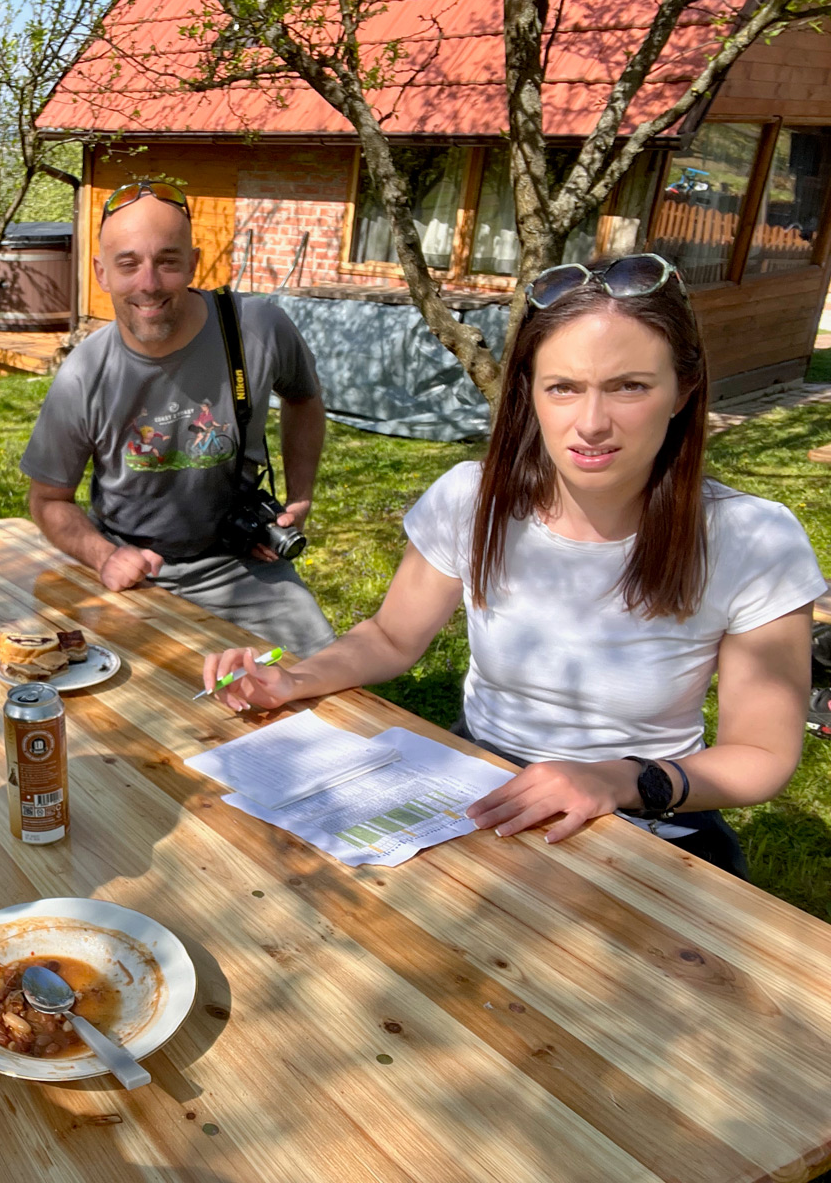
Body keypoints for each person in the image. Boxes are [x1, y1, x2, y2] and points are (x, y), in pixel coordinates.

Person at [202, 253, 825, 877]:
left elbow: (761, 754)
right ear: (529, 391)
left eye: (629, 386)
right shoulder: (471, 499)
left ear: (682, 391)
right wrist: (295, 679)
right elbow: (391, 637)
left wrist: (616, 780)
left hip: (649, 806)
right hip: (480, 783)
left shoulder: (751, 539)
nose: (591, 423)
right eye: (564, 387)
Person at [21, 179, 334, 657]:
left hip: (241, 564)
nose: (148, 283)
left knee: (324, 675)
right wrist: (106, 557)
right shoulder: (84, 373)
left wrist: (301, 497)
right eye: (128, 264)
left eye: (167, 261)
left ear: (193, 262)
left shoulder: (257, 329)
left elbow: (304, 399)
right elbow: (47, 500)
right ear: (102, 273)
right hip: (134, 567)